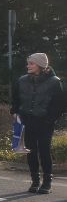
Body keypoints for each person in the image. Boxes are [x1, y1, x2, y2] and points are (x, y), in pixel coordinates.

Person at [11, 53, 64, 194]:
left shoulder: (55, 82)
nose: (28, 66)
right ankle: (35, 181)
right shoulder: (22, 80)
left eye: (31, 63)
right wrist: (15, 112)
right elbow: (16, 99)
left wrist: (50, 119)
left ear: (40, 65)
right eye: (28, 63)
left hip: (45, 122)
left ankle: (47, 183)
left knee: (44, 151)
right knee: (30, 151)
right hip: (27, 120)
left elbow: (59, 104)